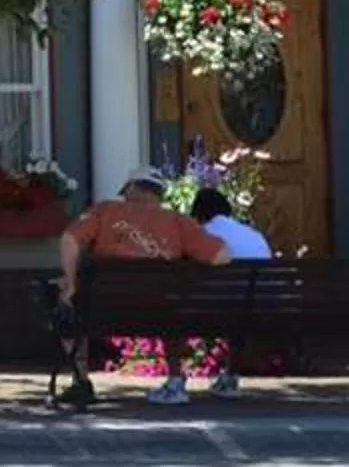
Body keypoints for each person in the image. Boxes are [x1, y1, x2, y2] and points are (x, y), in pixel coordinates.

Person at [50, 168, 228, 408]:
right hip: (163, 310)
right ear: (159, 194)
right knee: (171, 305)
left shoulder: (104, 211)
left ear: (132, 188)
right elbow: (222, 256)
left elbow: (69, 239)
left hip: (104, 310)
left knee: (68, 300)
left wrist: (70, 283)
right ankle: (175, 377)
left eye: (125, 191)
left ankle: (80, 379)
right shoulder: (177, 221)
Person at [185, 186, 268, 395]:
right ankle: (230, 375)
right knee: (240, 313)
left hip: (214, 307)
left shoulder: (202, 233)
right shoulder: (254, 235)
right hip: (261, 306)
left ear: (198, 212)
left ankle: (175, 379)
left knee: (175, 313)